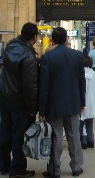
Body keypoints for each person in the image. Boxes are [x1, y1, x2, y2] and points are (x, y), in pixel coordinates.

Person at [39, 27, 86, 177]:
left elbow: (44, 85)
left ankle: (55, 169)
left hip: (54, 104)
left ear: (52, 40)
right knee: (74, 136)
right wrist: (82, 102)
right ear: (66, 39)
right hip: (73, 102)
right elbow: (81, 81)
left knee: (56, 137)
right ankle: (76, 167)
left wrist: (42, 109)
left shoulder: (48, 57)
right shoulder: (77, 56)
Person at [0, 22, 39, 178]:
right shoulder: (28, 56)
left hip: (5, 96)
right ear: (34, 37)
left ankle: (3, 164)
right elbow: (30, 86)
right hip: (20, 101)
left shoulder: (10, 47)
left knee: (5, 131)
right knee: (19, 135)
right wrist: (32, 108)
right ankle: (17, 169)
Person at [80, 55, 95, 149]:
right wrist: (93, 98)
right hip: (91, 103)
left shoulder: (78, 74)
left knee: (81, 124)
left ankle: (83, 142)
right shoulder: (94, 74)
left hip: (80, 104)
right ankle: (90, 140)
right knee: (90, 123)